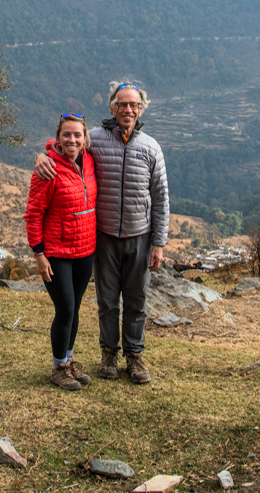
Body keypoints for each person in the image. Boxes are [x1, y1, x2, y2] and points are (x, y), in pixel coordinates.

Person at [35, 81, 168, 384]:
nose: (127, 109)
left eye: (133, 104)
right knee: (107, 301)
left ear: (141, 108)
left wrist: (159, 242)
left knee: (137, 300)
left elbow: (160, 197)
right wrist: (40, 156)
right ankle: (108, 353)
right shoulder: (95, 139)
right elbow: (65, 141)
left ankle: (134, 357)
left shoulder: (151, 147)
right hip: (104, 237)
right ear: (112, 107)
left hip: (140, 236)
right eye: (122, 104)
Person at [23, 113, 98, 390]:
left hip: (85, 249)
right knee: (65, 308)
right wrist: (39, 254)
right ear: (57, 137)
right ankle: (58, 367)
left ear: (85, 138)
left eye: (77, 135)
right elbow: (33, 214)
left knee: (75, 308)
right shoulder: (47, 169)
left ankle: (69, 359)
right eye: (66, 135)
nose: (72, 140)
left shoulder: (89, 160)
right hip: (56, 252)